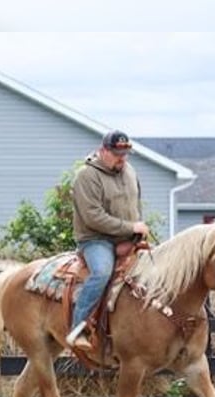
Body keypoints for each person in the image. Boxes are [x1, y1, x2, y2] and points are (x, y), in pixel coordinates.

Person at [66, 130, 149, 351]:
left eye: (125, 153)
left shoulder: (129, 171)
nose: (122, 158)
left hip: (127, 237)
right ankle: (79, 327)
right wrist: (131, 227)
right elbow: (93, 217)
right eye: (116, 153)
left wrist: (137, 230)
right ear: (103, 151)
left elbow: (135, 204)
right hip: (96, 240)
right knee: (102, 272)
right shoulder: (86, 176)